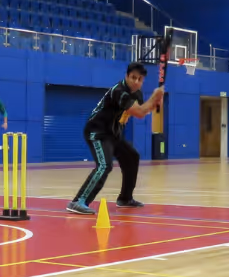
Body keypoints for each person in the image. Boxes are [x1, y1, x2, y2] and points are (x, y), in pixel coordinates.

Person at [67, 62, 163, 215]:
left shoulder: (136, 93)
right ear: (126, 76)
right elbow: (139, 112)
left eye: (140, 79)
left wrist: (155, 102)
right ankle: (78, 201)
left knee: (132, 156)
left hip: (113, 134)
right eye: (133, 78)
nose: (136, 82)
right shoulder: (120, 91)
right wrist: (154, 99)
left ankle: (125, 199)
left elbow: (141, 113)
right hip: (97, 132)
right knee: (105, 165)